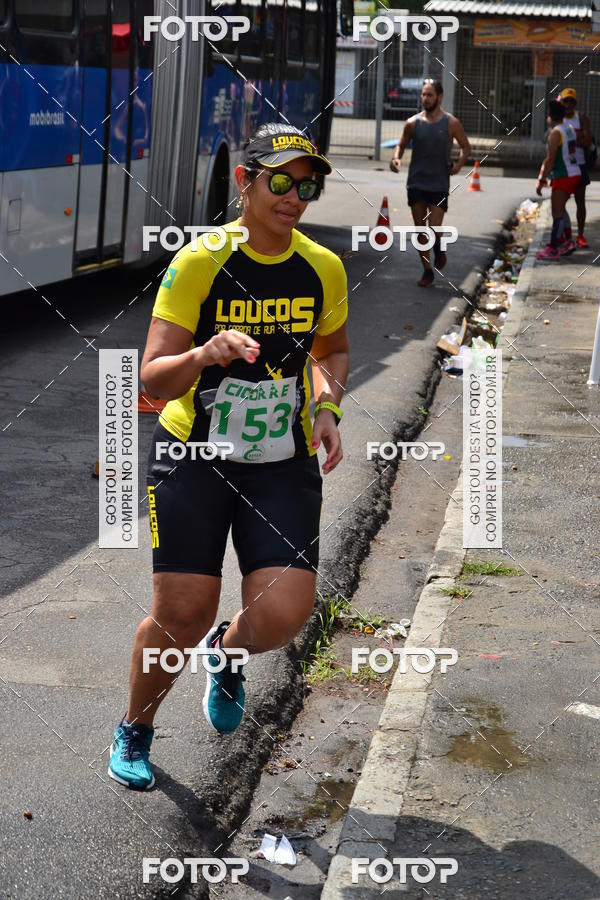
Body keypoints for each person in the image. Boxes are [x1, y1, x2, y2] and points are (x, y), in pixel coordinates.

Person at [108, 123, 349, 789]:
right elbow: (153, 378)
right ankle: (136, 727)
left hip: (281, 459)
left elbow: (331, 351)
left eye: (307, 186)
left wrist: (327, 407)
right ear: (245, 182)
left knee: (285, 612)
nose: (294, 196)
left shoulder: (323, 268)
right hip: (195, 455)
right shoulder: (200, 262)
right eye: (280, 181)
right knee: (182, 612)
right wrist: (204, 353)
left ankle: (227, 649)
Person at [389, 78, 471, 288]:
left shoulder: (451, 123)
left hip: (439, 183)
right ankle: (427, 270)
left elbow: (466, 147)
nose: (425, 99)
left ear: (439, 97)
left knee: (434, 226)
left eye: (430, 95)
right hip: (416, 182)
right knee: (421, 229)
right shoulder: (412, 123)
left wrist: (459, 165)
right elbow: (401, 145)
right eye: (423, 94)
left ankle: (439, 249)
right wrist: (396, 158)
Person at [536, 100, 581, 261]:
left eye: (547, 115)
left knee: (556, 212)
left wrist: (542, 180)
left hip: (563, 175)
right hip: (574, 173)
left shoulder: (555, 133)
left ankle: (552, 248)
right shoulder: (568, 128)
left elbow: (551, 159)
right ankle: (568, 241)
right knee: (561, 209)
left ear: (550, 116)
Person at [559, 87, 593, 248]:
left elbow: (587, 141)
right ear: (561, 102)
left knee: (580, 201)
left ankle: (580, 235)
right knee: (559, 203)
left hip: (579, 165)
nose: (568, 105)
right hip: (563, 166)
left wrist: (569, 139)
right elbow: (553, 139)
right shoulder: (557, 118)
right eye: (566, 101)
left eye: (571, 102)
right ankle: (564, 235)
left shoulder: (582, 118)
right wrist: (577, 137)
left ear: (575, 103)